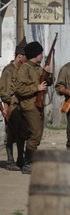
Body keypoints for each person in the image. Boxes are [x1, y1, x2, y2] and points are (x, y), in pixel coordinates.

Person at [13, 41, 53, 174]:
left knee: (38, 134)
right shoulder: (24, 68)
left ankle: (29, 160)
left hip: (38, 104)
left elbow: (49, 82)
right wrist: (36, 88)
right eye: (40, 53)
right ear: (35, 54)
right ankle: (28, 163)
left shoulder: (37, 67)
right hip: (29, 105)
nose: (42, 55)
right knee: (35, 134)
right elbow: (19, 88)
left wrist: (48, 73)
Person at [0, 38, 27, 170]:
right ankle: (10, 160)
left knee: (22, 132)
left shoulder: (24, 69)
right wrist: (6, 106)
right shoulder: (8, 70)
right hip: (11, 105)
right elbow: (4, 91)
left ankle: (20, 159)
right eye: (25, 56)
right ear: (19, 56)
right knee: (10, 133)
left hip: (23, 105)